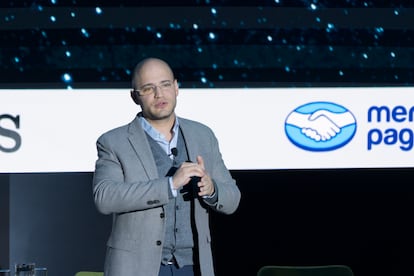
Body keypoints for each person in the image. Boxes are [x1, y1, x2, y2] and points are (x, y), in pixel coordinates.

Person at [92, 57, 241, 276]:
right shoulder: (113, 142)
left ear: (176, 87)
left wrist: (212, 190)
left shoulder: (203, 135)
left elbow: (232, 198)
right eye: (148, 88)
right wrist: (169, 185)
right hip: (139, 268)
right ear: (135, 96)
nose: (159, 94)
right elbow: (104, 197)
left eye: (165, 85)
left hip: (193, 266)